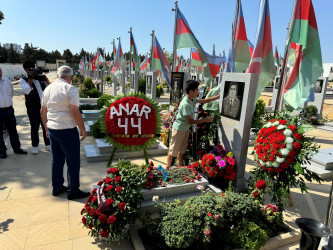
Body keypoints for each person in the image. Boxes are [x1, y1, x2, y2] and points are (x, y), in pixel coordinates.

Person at [41, 65, 89, 200]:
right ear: (71, 78)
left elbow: (42, 111)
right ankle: (73, 190)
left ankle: (57, 187)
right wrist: (83, 129)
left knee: (56, 160)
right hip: (67, 130)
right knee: (73, 162)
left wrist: (46, 128)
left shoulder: (48, 88)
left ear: (58, 76)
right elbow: (75, 111)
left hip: (52, 129)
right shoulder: (70, 89)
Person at [166, 80, 220, 168]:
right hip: (179, 129)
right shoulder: (185, 104)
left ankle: (180, 168)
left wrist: (218, 96)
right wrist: (205, 120)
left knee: (182, 151)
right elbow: (190, 121)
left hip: (185, 129)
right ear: (191, 92)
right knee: (173, 151)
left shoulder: (191, 99)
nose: (198, 92)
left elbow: (204, 101)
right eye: (196, 90)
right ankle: (167, 169)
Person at [20, 61, 50, 154]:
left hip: (44, 106)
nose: (33, 70)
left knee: (46, 125)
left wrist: (46, 79)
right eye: (30, 68)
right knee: (34, 126)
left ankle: (48, 144)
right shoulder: (23, 79)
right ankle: (35, 146)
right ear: (25, 69)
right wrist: (30, 78)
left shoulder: (39, 77)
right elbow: (27, 91)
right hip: (33, 107)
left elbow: (50, 87)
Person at [0, 67, 27, 158]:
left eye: (0, 70)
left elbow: (11, 93)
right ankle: (2, 151)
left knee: (13, 130)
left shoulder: (7, 81)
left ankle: (17, 148)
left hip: (9, 109)